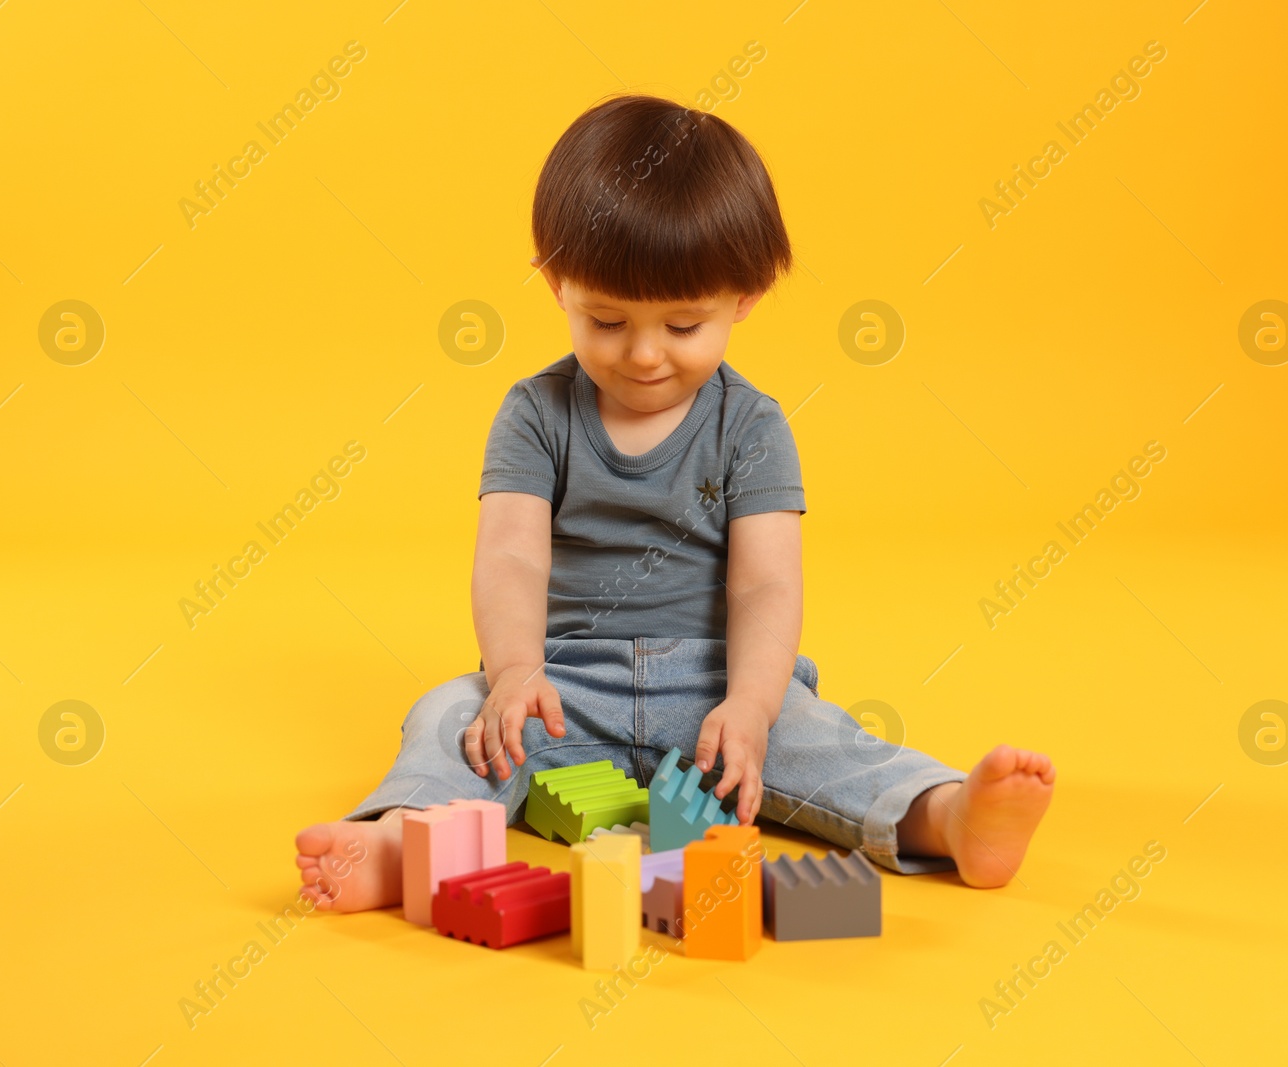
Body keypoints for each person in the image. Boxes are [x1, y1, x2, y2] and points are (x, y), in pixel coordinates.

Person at [295, 94, 1054, 912]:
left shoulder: (751, 425)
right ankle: (400, 839)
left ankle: (946, 818)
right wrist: (515, 672)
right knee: (453, 715)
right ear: (556, 283)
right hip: (562, 686)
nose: (645, 354)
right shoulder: (534, 412)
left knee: (822, 739)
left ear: (745, 297)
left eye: (685, 325)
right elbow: (511, 555)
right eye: (608, 319)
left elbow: (765, 584)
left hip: (715, 685)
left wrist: (752, 706)